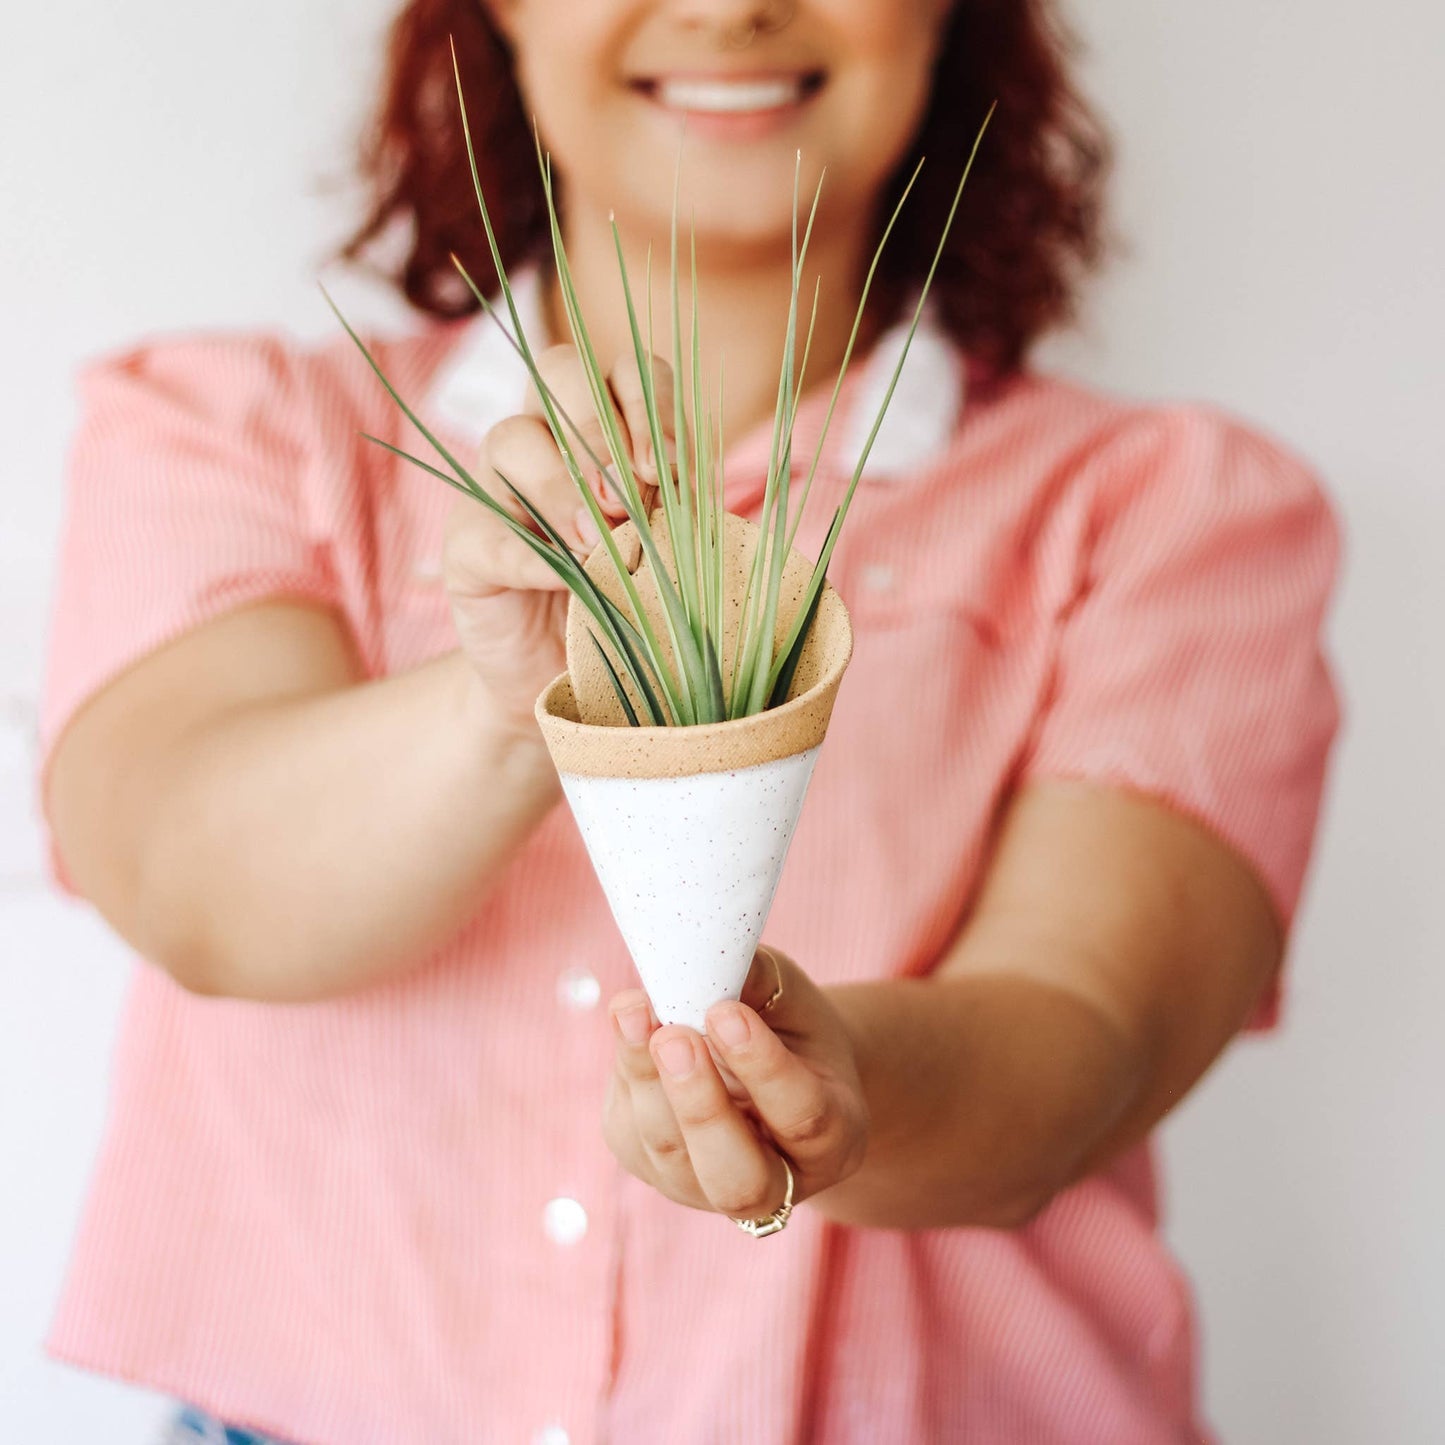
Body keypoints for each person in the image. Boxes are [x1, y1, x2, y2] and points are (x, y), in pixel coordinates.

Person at [37, 1, 1341, 1442]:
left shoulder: (1172, 514)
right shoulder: (239, 428)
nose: (728, 5)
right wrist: (514, 701)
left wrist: (841, 1090)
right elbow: (184, 871)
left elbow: (1085, 1032)